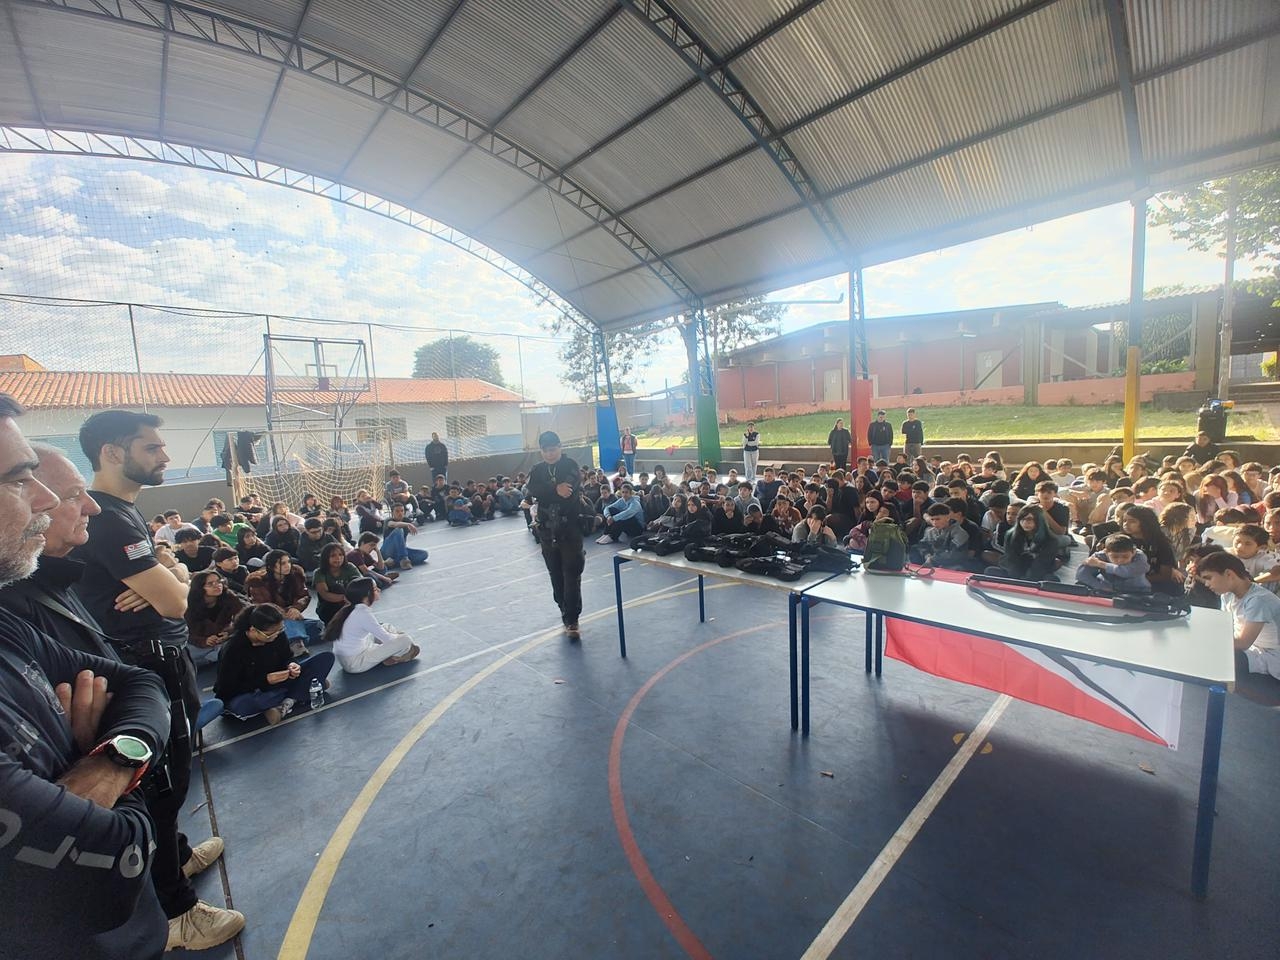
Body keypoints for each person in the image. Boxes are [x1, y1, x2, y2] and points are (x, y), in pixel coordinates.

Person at [70, 408, 246, 950]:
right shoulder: (108, 519)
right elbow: (176, 603)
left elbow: (173, 583)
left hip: (160, 658)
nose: (165, 455)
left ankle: (177, 854)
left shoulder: (120, 512)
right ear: (112, 453)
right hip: (149, 665)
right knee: (163, 785)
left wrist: (171, 569)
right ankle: (176, 913)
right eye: (151, 447)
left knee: (170, 780)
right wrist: (172, 579)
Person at [214, 604, 334, 725]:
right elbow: (226, 688)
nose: (276, 635)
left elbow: (287, 657)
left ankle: (287, 702)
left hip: (279, 682)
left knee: (326, 658)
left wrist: (292, 665)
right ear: (253, 630)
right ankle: (303, 690)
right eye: (270, 634)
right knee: (244, 704)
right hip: (251, 691)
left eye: (280, 630)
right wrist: (265, 680)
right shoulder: (233, 649)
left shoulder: (278, 635)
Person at [527, 431, 586, 639]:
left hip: (569, 530)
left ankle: (572, 618)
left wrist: (547, 492)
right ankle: (563, 607)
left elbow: (567, 491)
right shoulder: (537, 469)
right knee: (555, 572)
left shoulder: (570, 466)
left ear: (560, 447)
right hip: (546, 530)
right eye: (545, 450)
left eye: (552, 449)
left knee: (571, 573)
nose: (549, 454)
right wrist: (554, 488)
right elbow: (532, 489)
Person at [1197, 552, 1280, 684]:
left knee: (1218, 656)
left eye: (1209, 578)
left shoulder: (1258, 600)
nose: (1206, 584)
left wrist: (1204, 642)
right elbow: (1224, 629)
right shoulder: (1227, 596)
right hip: (1252, 650)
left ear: (1229, 574)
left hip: (1272, 656)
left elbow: (1243, 643)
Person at [323, 578, 420, 673]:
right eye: (375, 589)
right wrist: (400, 636)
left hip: (348, 657)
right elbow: (387, 638)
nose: (379, 590)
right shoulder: (363, 613)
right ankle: (396, 656)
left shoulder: (352, 608)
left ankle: (392, 653)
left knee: (386, 626)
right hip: (355, 662)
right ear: (367, 595)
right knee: (406, 639)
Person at [245, 549, 321, 656]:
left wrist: (296, 608)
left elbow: (303, 595)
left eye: (289, 562)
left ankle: (288, 641)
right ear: (271, 567)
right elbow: (263, 608)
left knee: (320, 628)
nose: (287, 566)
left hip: (291, 616)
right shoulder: (258, 582)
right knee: (291, 623)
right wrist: (287, 613)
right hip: (270, 621)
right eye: (283, 563)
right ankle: (296, 644)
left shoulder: (295, 575)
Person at [184, 570, 245, 667]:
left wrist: (229, 632)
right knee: (187, 654)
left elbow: (243, 617)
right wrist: (204, 641)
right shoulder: (189, 603)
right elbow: (185, 632)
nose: (217, 585)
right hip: (197, 642)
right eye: (210, 584)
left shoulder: (228, 596)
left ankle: (212, 658)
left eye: (219, 581)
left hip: (222, 639)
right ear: (200, 587)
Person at [989, 505, 1059, 582]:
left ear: (1039, 520)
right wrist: (1016, 579)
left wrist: (1027, 580)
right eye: (1022, 519)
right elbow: (1011, 559)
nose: (1025, 523)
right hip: (1015, 572)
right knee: (990, 571)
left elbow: (1041, 564)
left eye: (1029, 519)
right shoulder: (1010, 535)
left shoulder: (1050, 540)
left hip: (1038, 575)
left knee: (1051, 580)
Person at [1076, 534, 1152, 593]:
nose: (1120, 560)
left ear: (1133, 552)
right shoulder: (1100, 556)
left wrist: (1101, 564)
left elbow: (1127, 572)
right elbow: (1081, 574)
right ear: (1106, 552)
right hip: (1108, 589)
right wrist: (1100, 586)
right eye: (1115, 557)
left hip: (1138, 591)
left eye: (1125, 556)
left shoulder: (1140, 557)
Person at [313, 542, 364, 622]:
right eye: (333, 556)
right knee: (337, 588)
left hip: (350, 604)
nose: (338, 558)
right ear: (326, 558)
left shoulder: (349, 567)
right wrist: (345, 598)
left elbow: (362, 584)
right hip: (328, 607)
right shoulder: (319, 572)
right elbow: (325, 594)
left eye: (341, 555)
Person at [380, 503, 429, 569]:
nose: (400, 513)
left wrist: (419, 514)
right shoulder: (388, 520)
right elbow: (394, 524)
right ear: (392, 513)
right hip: (387, 551)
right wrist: (408, 524)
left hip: (400, 551)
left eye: (402, 511)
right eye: (397, 511)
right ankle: (404, 560)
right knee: (399, 530)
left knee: (424, 554)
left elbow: (417, 523)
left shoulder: (406, 520)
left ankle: (392, 562)